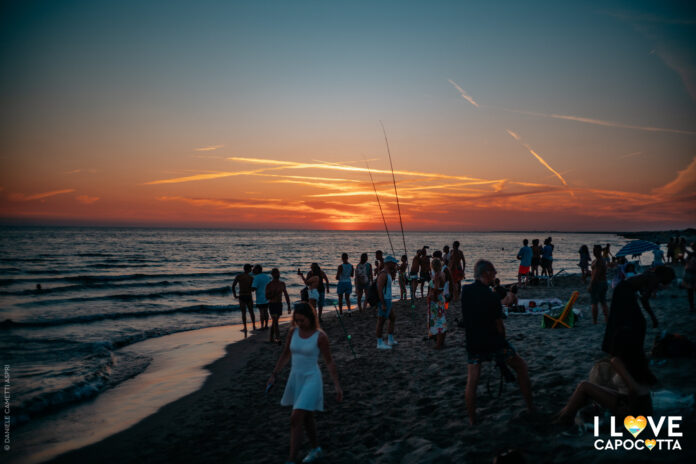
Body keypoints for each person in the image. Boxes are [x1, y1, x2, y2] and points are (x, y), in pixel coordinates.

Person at [267, 303, 343, 464]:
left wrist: (337, 385)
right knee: (307, 417)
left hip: (312, 379)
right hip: (296, 378)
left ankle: (291, 460)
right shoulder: (293, 332)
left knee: (295, 418)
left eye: (302, 320)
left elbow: (329, 362)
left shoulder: (320, 336)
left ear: (310, 318)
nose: (299, 323)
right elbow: (285, 354)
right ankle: (316, 448)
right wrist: (274, 374)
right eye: (296, 320)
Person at [460, 260, 533, 425]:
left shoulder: (466, 291)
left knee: (472, 381)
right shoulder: (492, 297)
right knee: (521, 367)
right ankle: (530, 408)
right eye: (493, 272)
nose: (496, 274)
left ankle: (472, 420)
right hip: (493, 343)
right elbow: (500, 326)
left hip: (473, 343)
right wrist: (503, 343)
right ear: (486, 273)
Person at [556, 328, 656, 424]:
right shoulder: (639, 357)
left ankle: (563, 418)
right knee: (592, 388)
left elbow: (633, 388)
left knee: (584, 386)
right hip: (646, 405)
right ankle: (563, 414)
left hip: (633, 406)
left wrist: (629, 410)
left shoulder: (617, 361)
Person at [602, 266, 676, 362]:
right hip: (624, 291)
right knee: (639, 323)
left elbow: (640, 289)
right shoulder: (654, 279)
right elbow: (644, 300)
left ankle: (614, 348)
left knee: (620, 320)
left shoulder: (651, 275)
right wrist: (653, 317)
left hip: (624, 290)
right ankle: (636, 352)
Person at [376, 256, 399, 349]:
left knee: (392, 318)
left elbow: (391, 281)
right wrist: (382, 304)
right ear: (389, 263)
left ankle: (390, 339)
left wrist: (394, 272)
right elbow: (379, 289)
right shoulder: (383, 274)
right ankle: (379, 343)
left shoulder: (388, 273)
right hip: (384, 300)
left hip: (388, 299)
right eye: (394, 263)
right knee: (381, 321)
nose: (395, 265)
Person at [267, 268, 292, 344]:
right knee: (275, 321)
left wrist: (288, 306)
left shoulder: (282, 284)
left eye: (278, 273)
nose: (277, 274)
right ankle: (278, 338)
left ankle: (271, 338)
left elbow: (286, 295)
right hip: (272, 304)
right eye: (275, 273)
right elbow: (267, 296)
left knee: (275, 321)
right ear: (272, 275)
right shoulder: (269, 285)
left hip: (279, 304)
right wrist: (274, 294)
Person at [428, 258, 447, 349]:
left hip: (436, 300)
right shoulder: (443, 274)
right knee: (441, 319)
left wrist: (434, 296)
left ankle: (439, 344)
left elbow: (436, 288)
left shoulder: (437, 275)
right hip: (441, 298)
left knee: (437, 321)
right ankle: (441, 342)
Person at [232, 264, 256, 332]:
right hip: (248, 295)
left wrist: (234, 294)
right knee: (251, 312)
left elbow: (233, 286)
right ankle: (254, 325)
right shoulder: (251, 278)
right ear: (248, 269)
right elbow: (253, 289)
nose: (251, 270)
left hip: (241, 295)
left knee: (243, 312)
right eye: (250, 268)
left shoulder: (239, 276)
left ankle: (245, 327)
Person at [589, 245, 609, 324]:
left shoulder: (599, 261)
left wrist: (591, 285)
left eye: (595, 250)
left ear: (599, 251)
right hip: (603, 283)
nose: (594, 252)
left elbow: (596, 274)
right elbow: (594, 272)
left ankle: (595, 321)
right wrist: (589, 273)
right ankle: (607, 319)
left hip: (598, 283)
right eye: (593, 250)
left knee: (594, 303)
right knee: (603, 302)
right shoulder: (601, 260)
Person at [252, 264, 272, 330]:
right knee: (266, 311)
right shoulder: (267, 277)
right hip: (267, 297)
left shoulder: (256, 278)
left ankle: (262, 326)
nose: (253, 270)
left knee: (261, 312)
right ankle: (266, 325)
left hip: (260, 298)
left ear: (258, 269)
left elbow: (253, 288)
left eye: (255, 269)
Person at [683, 242, 696, 312]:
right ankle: (691, 307)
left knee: (690, 291)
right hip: (690, 274)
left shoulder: (690, 255)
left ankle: (691, 307)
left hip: (688, 274)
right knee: (691, 291)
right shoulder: (691, 255)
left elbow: (686, 262)